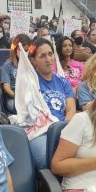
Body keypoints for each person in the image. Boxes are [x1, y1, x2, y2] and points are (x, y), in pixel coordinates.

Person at [27, 39, 76, 169]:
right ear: (33, 60)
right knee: (46, 159)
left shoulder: (62, 81)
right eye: (42, 56)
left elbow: (71, 109)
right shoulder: (29, 83)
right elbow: (32, 114)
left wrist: (63, 128)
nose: (48, 59)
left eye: (50, 54)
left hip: (63, 126)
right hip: (41, 131)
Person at [0, 34, 31, 114]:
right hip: (14, 96)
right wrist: (19, 97)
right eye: (22, 50)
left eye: (26, 50)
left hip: (29, 94)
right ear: (15, 50)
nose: (24, 53)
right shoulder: (7, 65)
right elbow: (7, 88)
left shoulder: (31, 64)